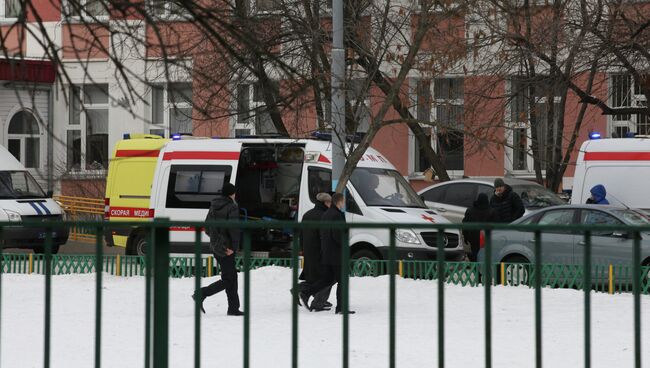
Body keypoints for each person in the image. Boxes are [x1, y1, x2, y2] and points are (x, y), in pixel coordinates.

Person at [193, 182, 244, 316]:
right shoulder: (232, 207)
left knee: (231, 277)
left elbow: (207, 227)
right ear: (231, 194)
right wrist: (232, 247)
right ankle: (202, 293)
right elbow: (234, 229)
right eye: (234, 192)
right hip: (227, 249)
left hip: (216, 248)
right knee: (229, 279)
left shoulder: (213, 206)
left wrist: (217, 241)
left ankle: (233, 308)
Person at [300, 193, 355, 314]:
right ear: (339, 202)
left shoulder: (326, 214)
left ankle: (305, 292)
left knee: (327, 279)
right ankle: (341, 307)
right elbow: (338, 235)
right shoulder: (337, 215)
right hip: (337, 254)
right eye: (343, 201)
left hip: (327, 253)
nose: (344, 204)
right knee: (342, 281)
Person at [297, 192, 333, 311]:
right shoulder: (325, 215)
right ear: (326, 202)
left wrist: (302, 248)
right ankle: (318, 301)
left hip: (309, 251)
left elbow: (301, 234)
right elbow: (324, 236)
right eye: (330, 202)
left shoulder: (307, 214)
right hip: (321, 251)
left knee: (315, 276)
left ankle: (300, 290)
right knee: (328, 276)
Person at [462, 193, 498, 262]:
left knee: (475, 254)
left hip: (473, 238)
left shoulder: (470, 211)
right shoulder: (492, 211)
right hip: (487, 238)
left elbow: (465, 224)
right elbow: (496, 226)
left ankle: (476, 269)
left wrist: (466, 237)